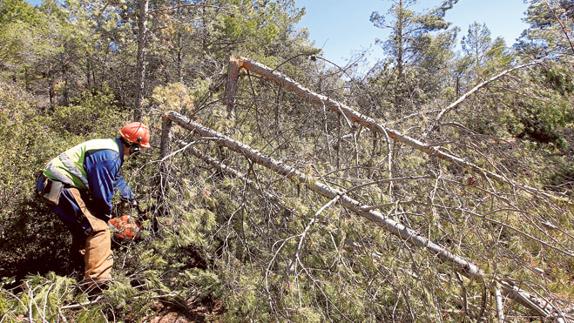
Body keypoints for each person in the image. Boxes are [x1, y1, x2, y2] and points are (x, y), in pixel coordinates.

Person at [35, 122, 151, 288]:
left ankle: (77, 268)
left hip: (53, 185)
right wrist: (107, 218)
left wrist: (132, 199)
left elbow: (116, 179)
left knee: (83, 228)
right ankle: (97, 284)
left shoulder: (111, 149)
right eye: (139, 149)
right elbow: (102, 193)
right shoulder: (109, 156)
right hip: (60, 186)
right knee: (99, 229)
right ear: (134, 146)